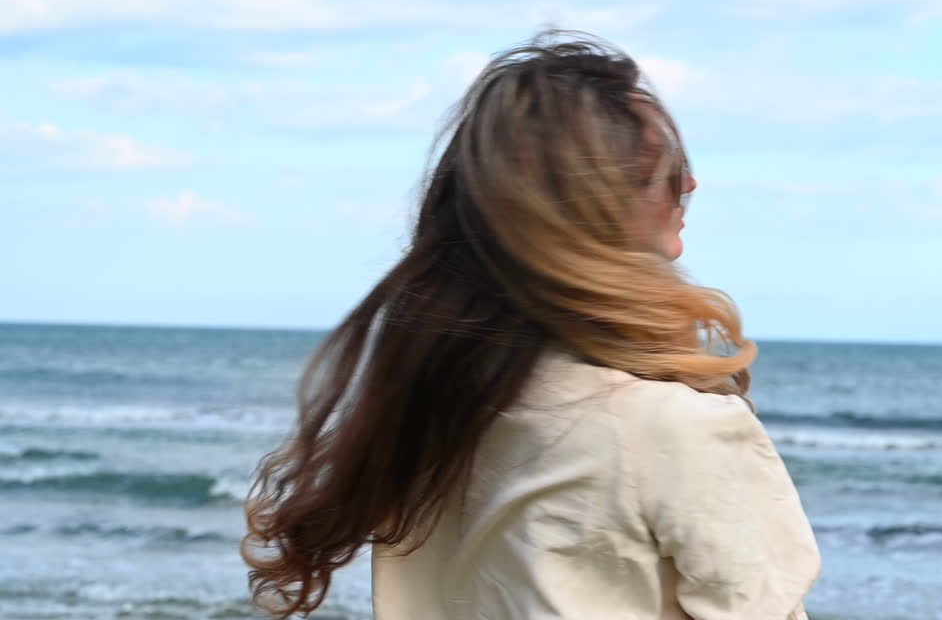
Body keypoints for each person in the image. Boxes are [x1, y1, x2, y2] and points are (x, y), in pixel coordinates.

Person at [240, 31, 821, 619]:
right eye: (670, 171)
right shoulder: (670, 426)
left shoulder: (435, 403)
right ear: (596, 206)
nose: (689, 186)